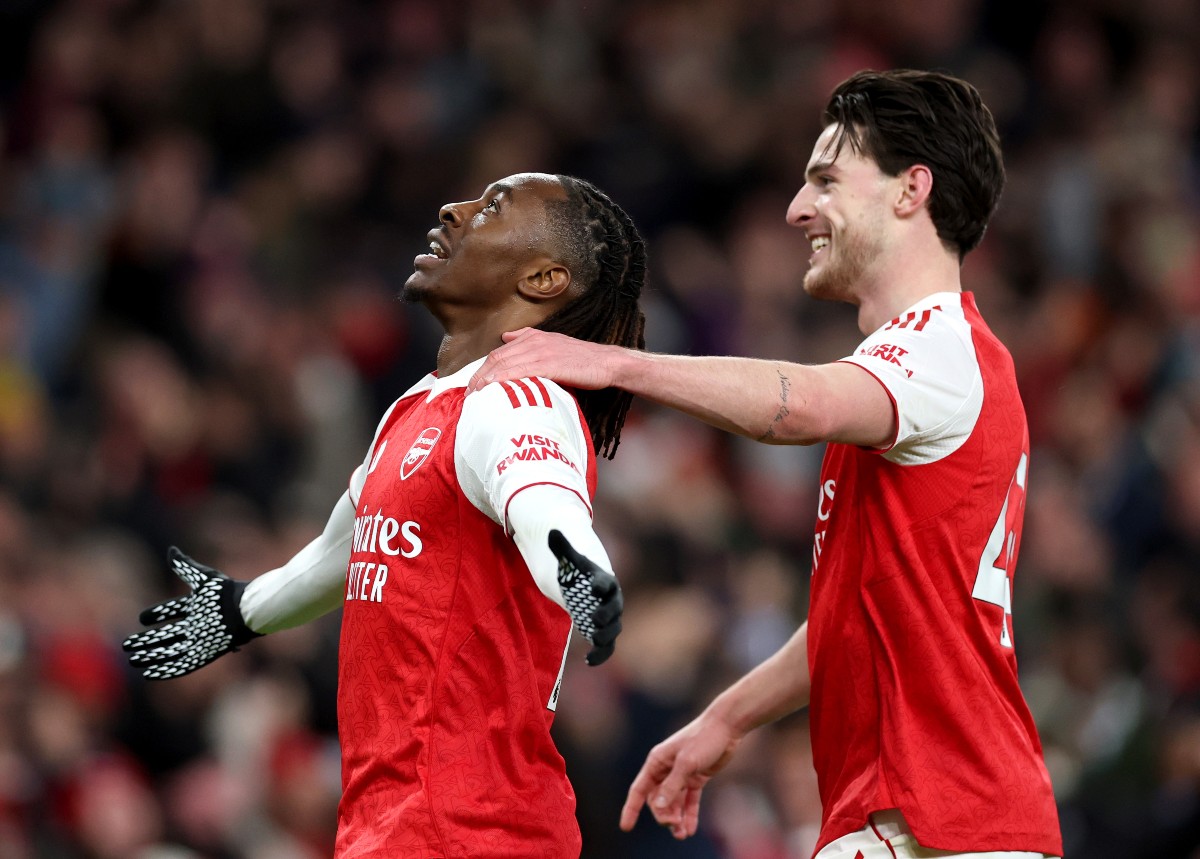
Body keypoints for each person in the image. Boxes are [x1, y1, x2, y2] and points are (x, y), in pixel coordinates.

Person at [469, 71, 1064, 859]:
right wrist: (730, 716)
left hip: (934, 821)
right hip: (944, 817)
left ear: (911, 189)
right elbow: (858, 614)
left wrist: (613, 364)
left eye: (826, 178)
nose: (797, 208)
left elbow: (802, 405)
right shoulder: (932, 367)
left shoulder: (941, 348)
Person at [123, 172, 647, 858]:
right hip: (394, 829)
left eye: (491, 207)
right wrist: (242, 609)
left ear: (545, 278)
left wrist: (577, 571)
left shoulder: (518, 396)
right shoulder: (415, 408)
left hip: (472, 834)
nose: (453, 210)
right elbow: (344, 550)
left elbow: (546, 505)